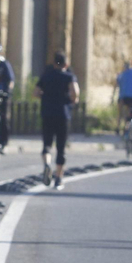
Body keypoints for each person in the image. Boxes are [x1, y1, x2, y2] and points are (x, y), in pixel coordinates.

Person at [35, 51, 80, 189]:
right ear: (66, 64)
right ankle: (59, 178)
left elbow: (35, 92)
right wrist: (73, 100)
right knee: (61, 148)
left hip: (47, 113)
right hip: (63, 114)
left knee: (47, 144)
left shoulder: (46, 75)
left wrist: (45, 96)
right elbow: (75, 92)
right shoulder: (69, 76)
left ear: (54, 63)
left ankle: (47, 164)